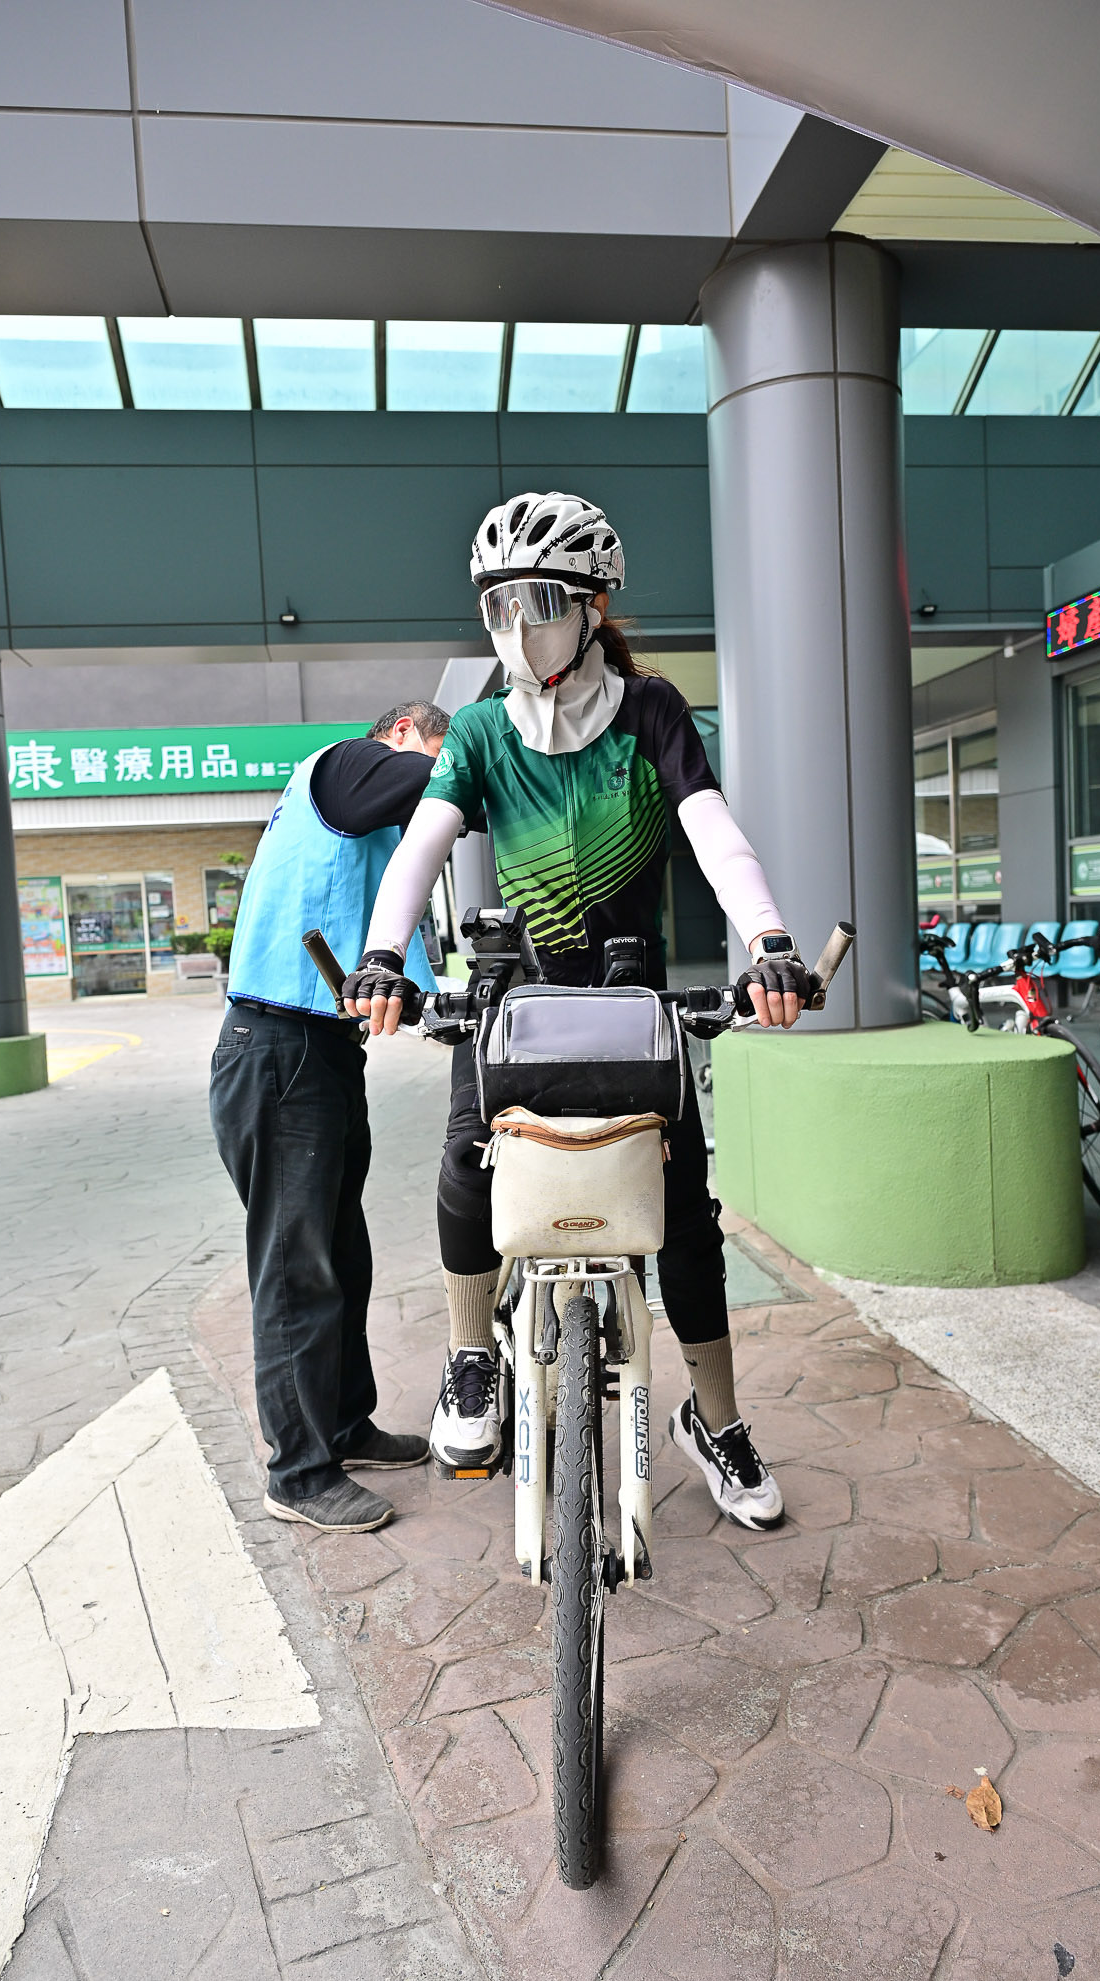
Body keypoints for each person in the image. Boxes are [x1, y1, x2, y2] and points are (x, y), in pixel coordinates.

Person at [343, 494, 810, 1532]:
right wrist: (380, 957)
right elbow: (422, 846)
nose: (517, 626)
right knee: (466, 1163)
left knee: (684, 1215)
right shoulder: (477, 730)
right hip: (515, 1002)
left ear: (594, 605)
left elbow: (713, 830)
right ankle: (472, 1357)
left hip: (634, 1003)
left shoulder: (651, 711)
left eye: (541, 600)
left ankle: (717, 1420)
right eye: (497, 605)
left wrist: (770, 942)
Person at [210, 701, 450, 1534]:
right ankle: (299, 1473)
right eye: (439, 752)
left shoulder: (369, 828)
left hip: (322, 1053)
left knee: (341, 1255)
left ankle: (345, 1426)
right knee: (296, 1268)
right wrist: (488, 762)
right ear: (405, 733)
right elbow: (431, 782)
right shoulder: (345, 764)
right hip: (278, 1051)